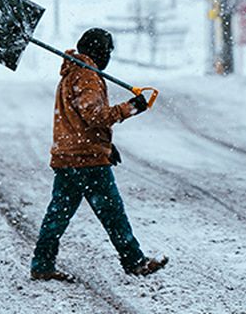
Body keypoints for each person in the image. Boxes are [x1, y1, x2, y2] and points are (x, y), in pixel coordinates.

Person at [28, 27, 167, 283]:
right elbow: (94, 115)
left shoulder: (72, 73)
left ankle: (42, 263)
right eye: (108, 51)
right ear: (100, 51)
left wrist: (104, 145)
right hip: (86, 161)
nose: (109, 57)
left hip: (70, 155)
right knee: (112, 212)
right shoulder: (87, 76)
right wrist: (130, 108)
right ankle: (134, 261)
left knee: (57, 214)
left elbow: (78, 120)